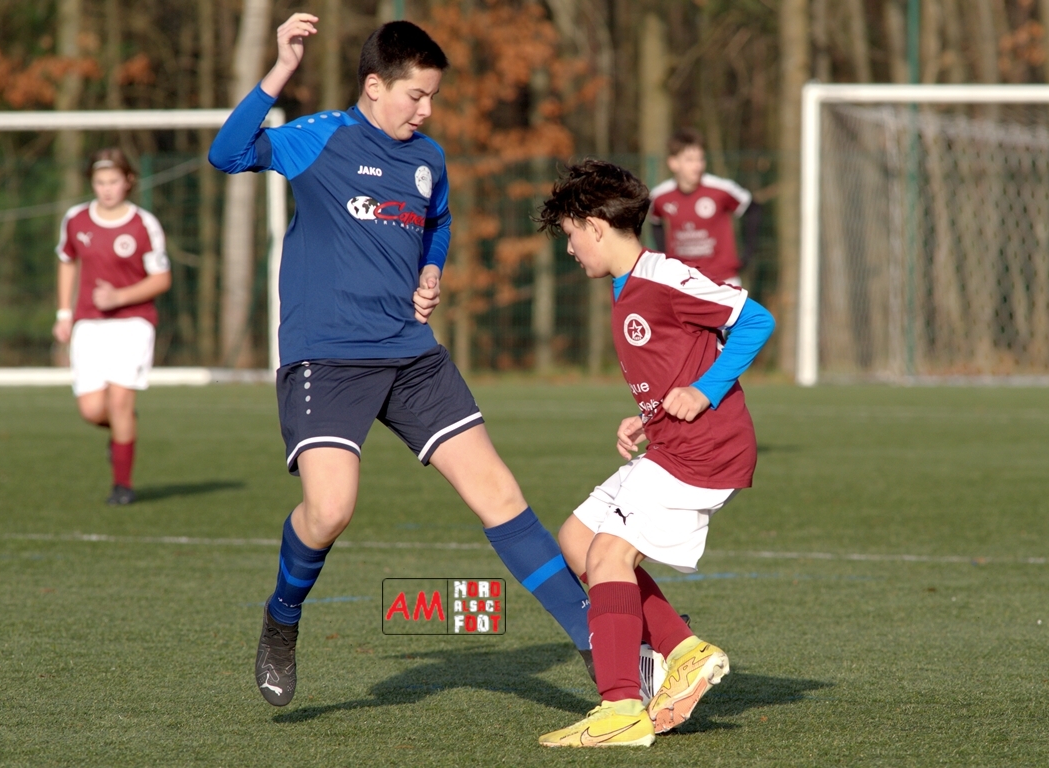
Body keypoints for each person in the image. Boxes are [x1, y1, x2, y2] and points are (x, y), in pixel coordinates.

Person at [208, 14, 592, 707]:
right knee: (330, 510)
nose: (426, 110)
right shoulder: (320, 137)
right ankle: (282, 617)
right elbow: (227, 153)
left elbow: (437, 222)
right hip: (327, 358)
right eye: (416, 95)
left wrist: (432, 269)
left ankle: (600, 645)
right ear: (374, 86)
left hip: (411, 354)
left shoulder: (428, 158)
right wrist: (281, 69)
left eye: (433, 97)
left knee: (500, 493)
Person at [534, 159, 775, 747]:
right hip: (672, 442)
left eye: (570, 234)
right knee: (577, 539)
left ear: (595, 226)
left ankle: (620, 708)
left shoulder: (663, 277)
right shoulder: (626, 286)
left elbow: (755, 319)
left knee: (609, 555)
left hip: (704, 450)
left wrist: (704, 390)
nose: (570, 249)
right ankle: (685, 653)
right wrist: (649, 417)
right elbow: (675, 361)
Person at [53, 148, 172, 506]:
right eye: (100, 182)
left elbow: (161, 278)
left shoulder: (143, 224)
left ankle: (122, 486)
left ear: (128, 181)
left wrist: (119, 296)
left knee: (119, 401)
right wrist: (64, 313)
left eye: (113, 181)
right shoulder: (76, 219)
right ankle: (122, 427)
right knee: (92, 410)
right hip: (89, 324)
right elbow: (67, 261)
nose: (106, 189)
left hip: (133, 323)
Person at [649, 128, 761, 286]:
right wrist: (664, 256)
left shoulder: (721, 189)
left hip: (723, 280)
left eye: (700, 159)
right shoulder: (660, 196)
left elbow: (753, 208)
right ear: (673, 163)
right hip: (683, 281)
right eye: (690, 160)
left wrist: (748, 252)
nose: (697, 166)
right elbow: (655, 222)